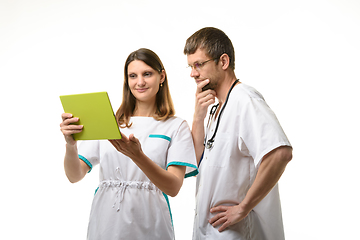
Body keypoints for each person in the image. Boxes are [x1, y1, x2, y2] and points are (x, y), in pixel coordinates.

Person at [60, 48, 198, 240]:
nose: (139, 82)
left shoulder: (175, 127)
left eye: (147, 74)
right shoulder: (109, 123)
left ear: (161, 77)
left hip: (149, 222)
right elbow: (74, 175)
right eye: (133, 76)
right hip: (106, 222)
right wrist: (70, 144)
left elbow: (173, 187)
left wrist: (137, 156)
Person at [184, 27, 293, 240]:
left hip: (239, 232)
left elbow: (280, 153)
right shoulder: (217, 108)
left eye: (199, 64)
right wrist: (198, 117)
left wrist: (243, 208)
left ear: (223, 62)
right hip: (212, 232)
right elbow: (195, 160)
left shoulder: (245, 100)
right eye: (190, 66)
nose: (192, 73)